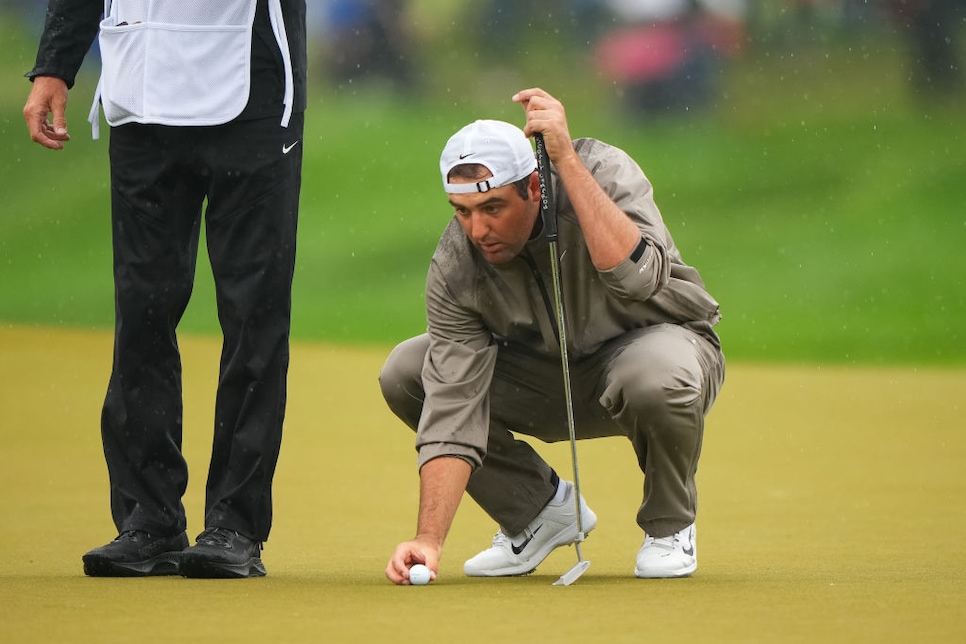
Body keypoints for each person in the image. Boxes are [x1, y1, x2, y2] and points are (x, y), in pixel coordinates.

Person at [381, 88, 725, 585]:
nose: (477, 229)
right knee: (408, 371)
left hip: (661, 351)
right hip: (547, 381)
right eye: (462, 211)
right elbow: (453, 408)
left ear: (535, 187)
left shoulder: (602, 170)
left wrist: (565, 159)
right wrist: (429, 539)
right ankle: (538, 512)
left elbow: (638, 278)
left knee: (654, 374)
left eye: (493, 208)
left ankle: (670, 526)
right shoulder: (457, 264)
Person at [22, 0, 307, 578]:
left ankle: (235, 523)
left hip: (253, 88)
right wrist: (55, 64)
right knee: (142, 312)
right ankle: (149, 520)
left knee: (253, 313)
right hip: (141, 85)